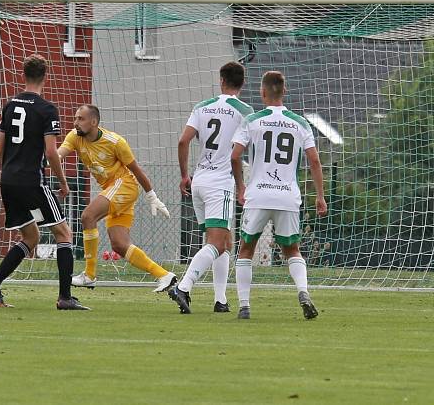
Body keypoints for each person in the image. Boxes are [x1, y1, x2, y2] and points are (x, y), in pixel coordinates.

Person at [0, 54, 88, 310]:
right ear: (45, 76)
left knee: (31, 236)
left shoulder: (9, 104)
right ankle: (65, 297)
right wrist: (63, 182)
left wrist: (12, 168)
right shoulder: (46, 109)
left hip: (8, 179)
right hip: (32, 180)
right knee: (64, 234)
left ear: (23, 74)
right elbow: (51, 152)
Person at [230, 71, 327, 320]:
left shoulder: (252, 120)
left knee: (246, 249)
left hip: (259, 195)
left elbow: (234, 156)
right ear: (284, 91)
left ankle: (244, 306)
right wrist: (320, 196)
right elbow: (315, 161)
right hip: (287, 196)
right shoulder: (300, 123)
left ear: (263, 93)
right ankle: (303, 292)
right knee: (292, 250)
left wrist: (241, 186)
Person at [59, 105, 177, 293]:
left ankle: (89, 275)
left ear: (94, 122)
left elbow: (136, 170)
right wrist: (44, 159)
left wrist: (152, 196)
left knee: (87, 217)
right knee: (120, 245)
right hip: (112, 190)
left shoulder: (115, 142)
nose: (75, 123)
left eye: (80, 119)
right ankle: (164, 275)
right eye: (75, 118)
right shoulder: (74, 137)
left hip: (124, 186)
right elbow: (58, 155)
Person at [169, 62, 253, 314]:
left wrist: (185, 175)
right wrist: (242, 186)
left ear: (221, 80)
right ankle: (183, 286)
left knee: (222, 241)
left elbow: (183, 140)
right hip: (220, 182)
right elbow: (243, 151)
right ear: (242, 83)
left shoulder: (202, 106)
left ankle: (220, 300)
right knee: (217, 243)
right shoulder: (245, 110)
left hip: (199, 180)